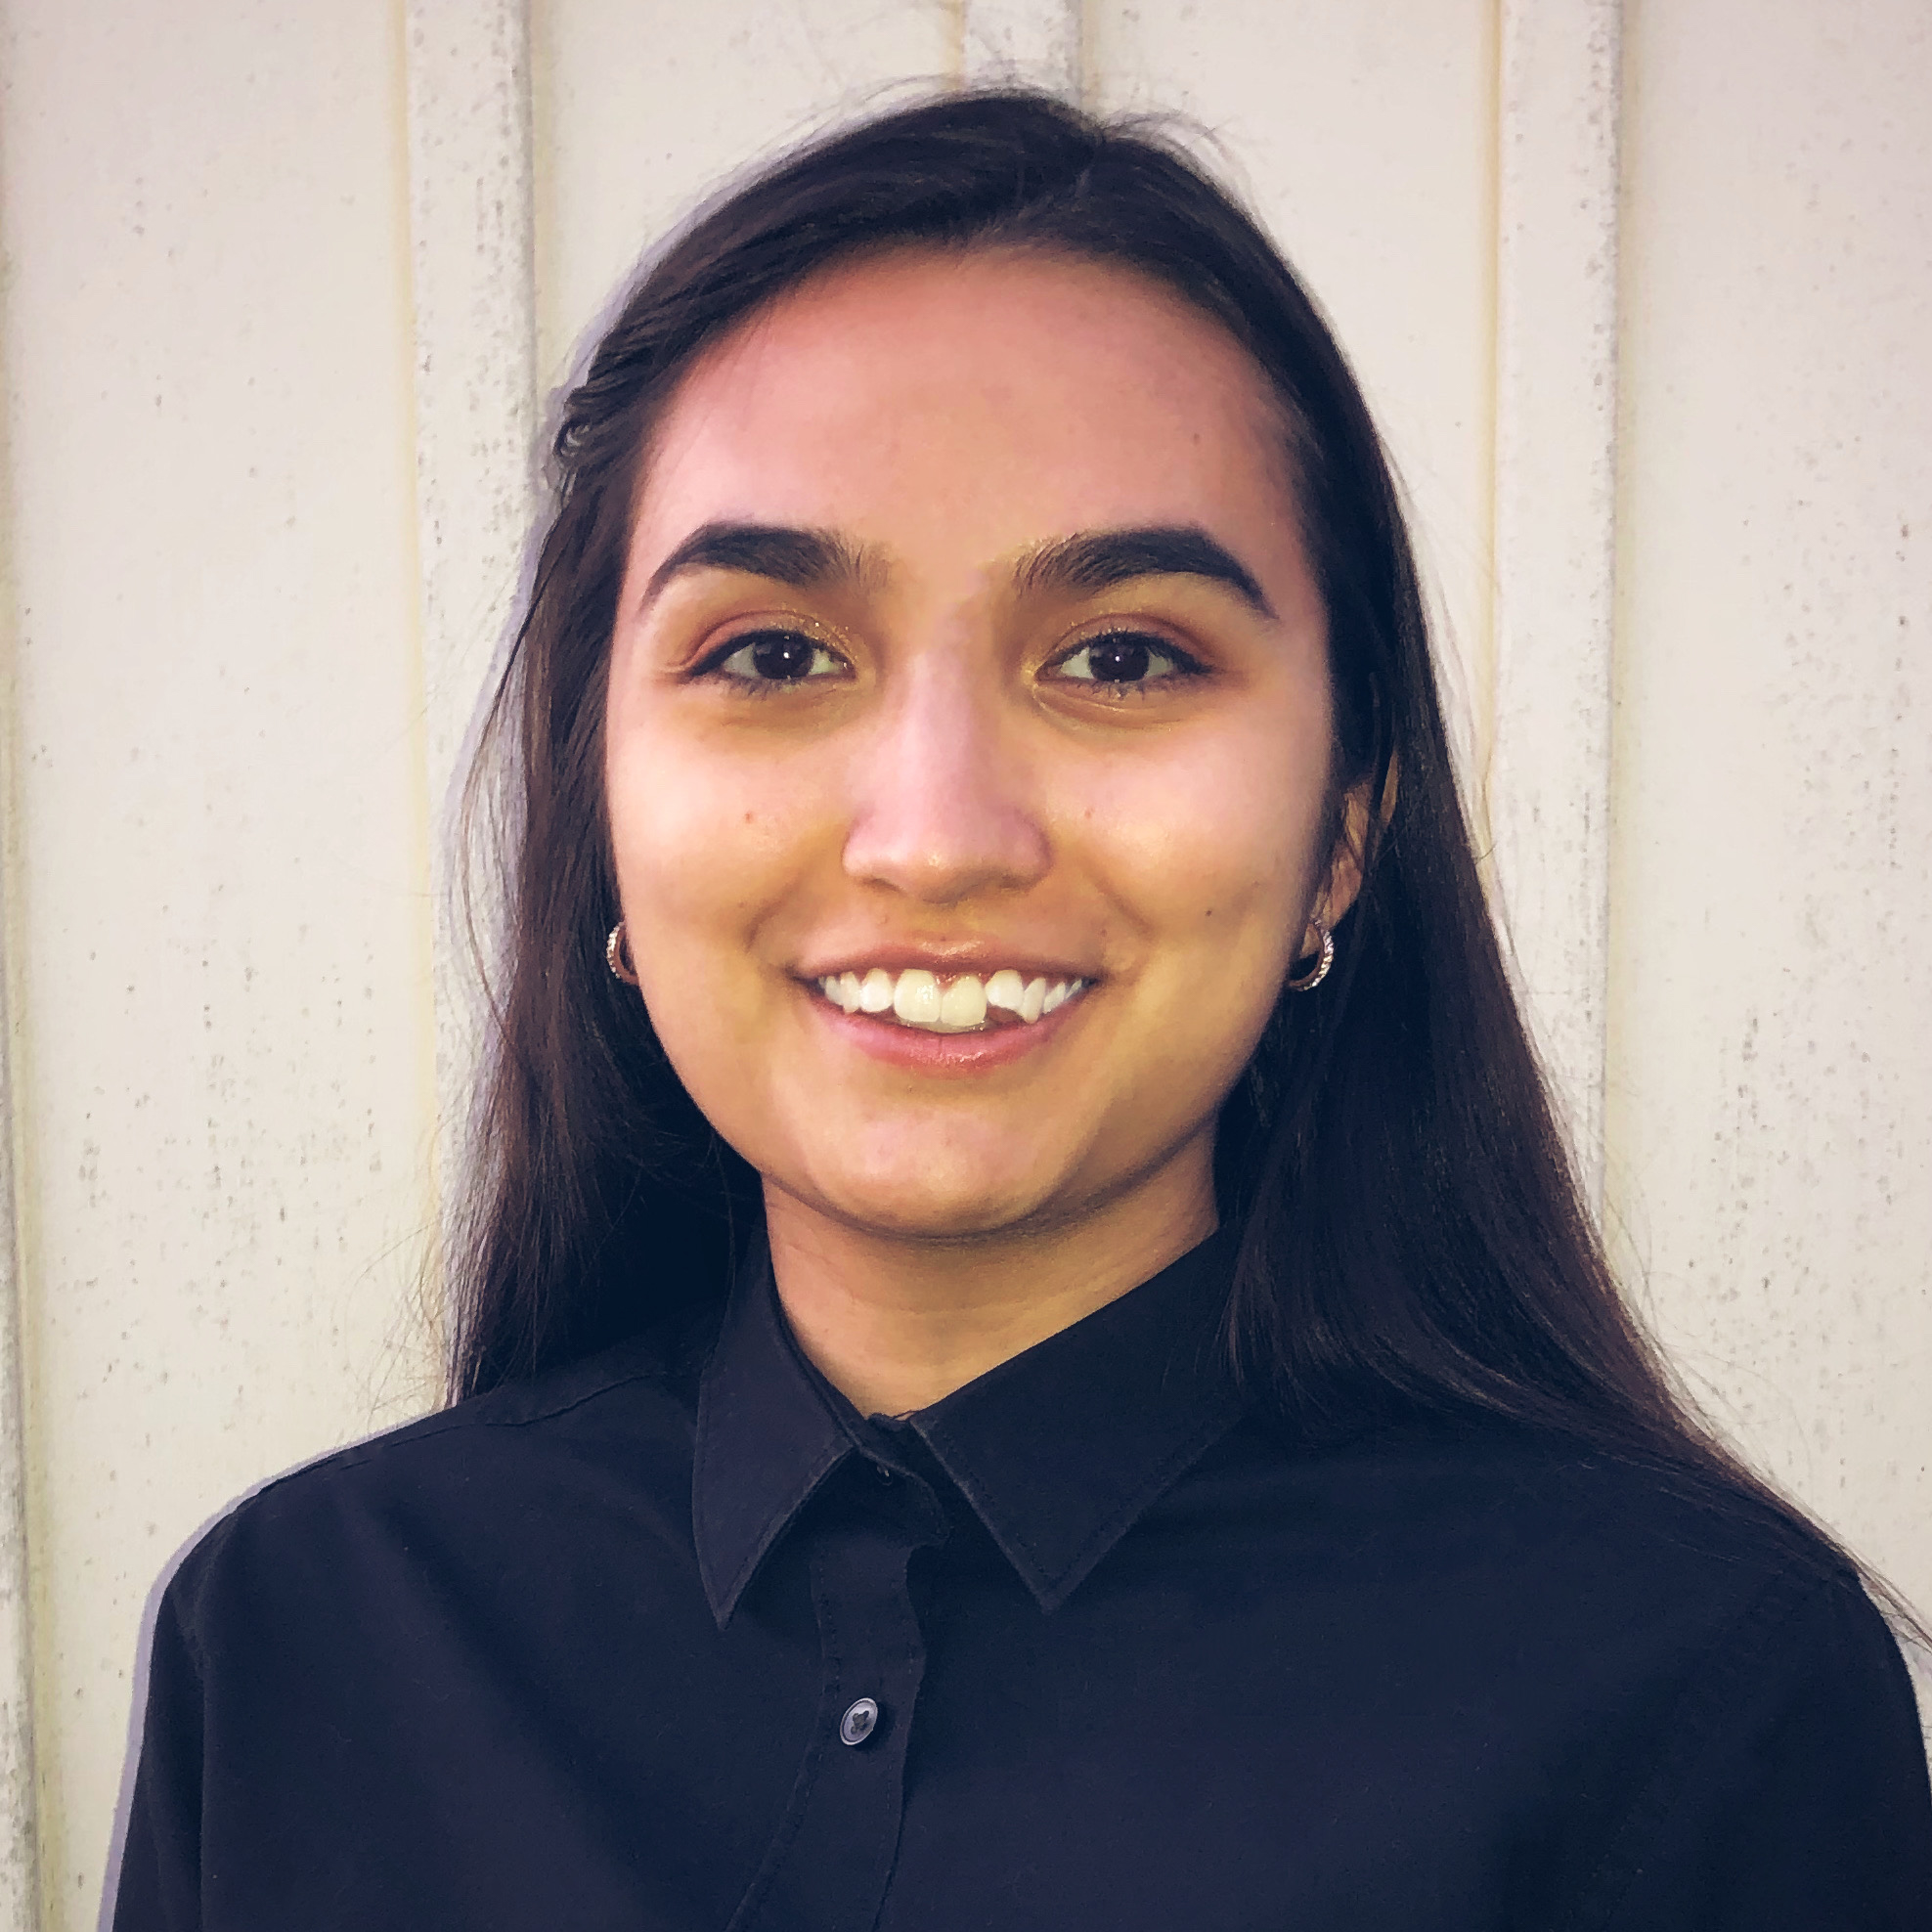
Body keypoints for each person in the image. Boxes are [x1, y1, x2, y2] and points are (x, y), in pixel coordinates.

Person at [110, 89, 1931, 1930]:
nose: (937, 837)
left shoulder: (1702, 1701)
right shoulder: (301, 1642)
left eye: (1122, 657)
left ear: (1345, 827)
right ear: (598, 812)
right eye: (773, 653)